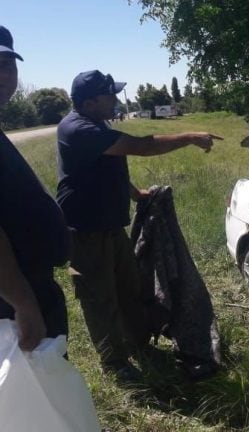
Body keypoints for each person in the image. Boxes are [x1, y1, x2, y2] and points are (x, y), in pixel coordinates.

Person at [56, 69, 221, 380]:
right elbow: (142, 146)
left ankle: (139, 345)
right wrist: (189, 137)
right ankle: (114, 364)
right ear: (90, 102)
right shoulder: (78, 129)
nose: (116, 100)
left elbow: (108, 167)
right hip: (85, 231)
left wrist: (135, 194)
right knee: (99, 297)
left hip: (111, 225)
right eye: (110, 95)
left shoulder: (96, 124)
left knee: (128, 288)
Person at [0, 25, 71, 350]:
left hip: (27, 288)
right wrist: (23, 302)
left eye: (7, 64)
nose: (3, 75)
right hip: (12, 301)